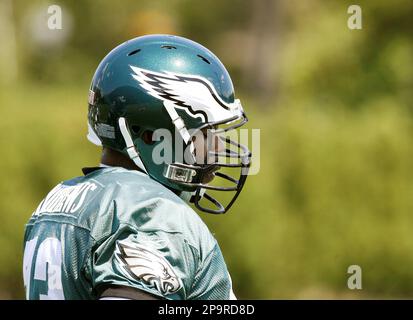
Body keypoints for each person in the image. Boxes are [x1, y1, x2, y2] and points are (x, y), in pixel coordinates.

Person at [22, 34, 251, 300]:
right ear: (150, 136)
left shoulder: (60, 199)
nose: (219, 147)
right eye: (205, 131)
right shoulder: (150, 213)